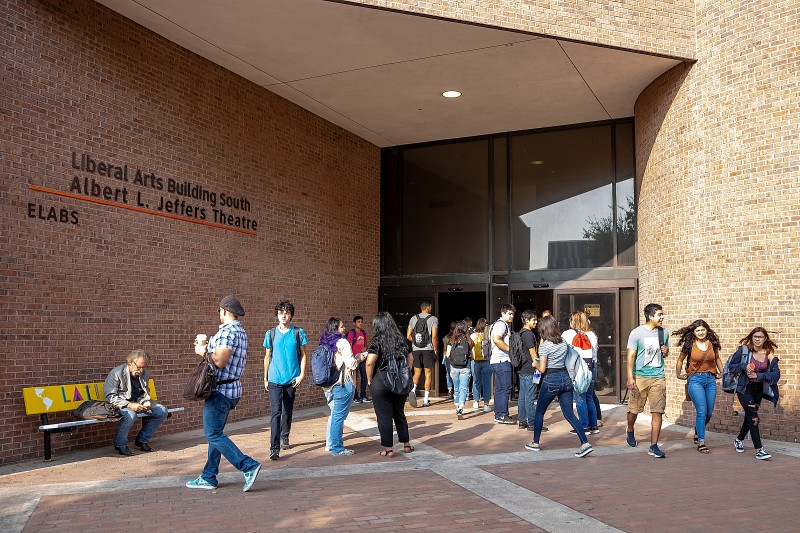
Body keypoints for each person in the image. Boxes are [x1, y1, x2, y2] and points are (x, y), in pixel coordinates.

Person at [186, 295, 261, 491]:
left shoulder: (228, 331)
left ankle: (248, 466)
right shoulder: (240, 331)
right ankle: (208, 476)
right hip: (231, 389)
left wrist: (202, 351)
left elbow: (219, 361)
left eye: (219, 311)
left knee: (212, 434)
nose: (219, 314)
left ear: (225, 311)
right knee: (216, 434)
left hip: (221, 390)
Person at [524, 315, 593, 457]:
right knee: (569, 414)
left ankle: (535, 443)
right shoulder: (563, 342)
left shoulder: (545, 345)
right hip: (566, 379)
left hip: (551, 380)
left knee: (540, 411)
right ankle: (585, 443)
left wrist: (534, 363)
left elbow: (542, 369)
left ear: (544, 328)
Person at [263, 300, 308, 460]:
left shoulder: (298, 332)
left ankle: (285, 436)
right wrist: (265, 378)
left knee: (287, 410)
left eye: (287, 312)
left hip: (291, 379)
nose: (284, 315)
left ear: (291, 315)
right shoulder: (270, 333)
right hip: (275, 378)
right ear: (277, 314)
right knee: (276, 413)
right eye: (281, 312)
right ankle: (274, 449)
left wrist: (302, 374)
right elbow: (267, 357)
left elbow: (303, 355)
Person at [366, 311, 414, 458]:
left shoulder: (377, 340)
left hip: (381, 381)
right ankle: (406, 445)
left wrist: (369, 380)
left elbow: (370, 362)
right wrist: (405, 374)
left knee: (384, 416)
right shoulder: (402, 340)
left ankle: (388, 449)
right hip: (400, 381)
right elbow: (410, 359)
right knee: (399, 413)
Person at [104, 349, 169, 456]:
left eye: (144, 367)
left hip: (138, 402)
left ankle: (142, 440)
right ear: (130, 362)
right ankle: (120, 445)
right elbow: (110, 397)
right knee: (131, 415)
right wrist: (129, 404)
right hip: (120, 404)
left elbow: (144, 393)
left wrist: (146, 402)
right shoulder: (116, 373)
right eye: (139, 367)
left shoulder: (144, 373)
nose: (141, 370)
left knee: (161, 411)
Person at [729, 327, 780, 460]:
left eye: (760, 337)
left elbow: (775, 375)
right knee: (754, 417)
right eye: (755, 336)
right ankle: (759, 450)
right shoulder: (744, 351)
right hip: (744, 388)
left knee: (750, 416)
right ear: (751, 338)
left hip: (758, 389)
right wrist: (743, 366)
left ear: (765, 339)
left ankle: (739, 440)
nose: (757, 339)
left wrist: (758, 375)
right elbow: (731, 366)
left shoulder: (769, 353)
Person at [626, 303, 669, 458]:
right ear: (650, 316)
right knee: (634, 410)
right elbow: (630, 356)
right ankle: (630, 429)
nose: (662, 317)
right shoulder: (636, 333)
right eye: (659, 314)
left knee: (657, 411)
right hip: (640, 377)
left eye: (662, 314)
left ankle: (653, 446)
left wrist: (666, 351)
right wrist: (630, 377)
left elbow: (665, 353)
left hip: (658, 376)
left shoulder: (663, 333)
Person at [673, 319, 723, 453]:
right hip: (695, 379)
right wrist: (678, 374)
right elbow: (680, 359)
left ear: (707, 330)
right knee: (702, 410)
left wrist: (722, 371)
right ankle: (701, 442)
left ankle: (698, 429)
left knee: (709, 412)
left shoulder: (712, 343)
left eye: (703, 330)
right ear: (694, 332)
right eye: (698, 330)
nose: (701, 332)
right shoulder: (689, 344)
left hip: (711, 380)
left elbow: (717, 358)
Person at [320, 318, 367, 455]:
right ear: (335, 328)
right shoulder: (343, 342)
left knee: (334, 415)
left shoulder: (325, 342)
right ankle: (337, 448)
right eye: (341, 326)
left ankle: (330, 444)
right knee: (339, 417)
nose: (344, 328)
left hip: (327, 385)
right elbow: (351, 364)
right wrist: (360, 357)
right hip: (342, 384)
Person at [562, 311, 599, 434]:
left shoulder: (567, 334)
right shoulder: (592, 335)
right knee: (589, 397)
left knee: (579, 397)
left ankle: (584, 426)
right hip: (592, 367)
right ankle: (594, 425)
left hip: (578, 369)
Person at [406, 301, 438, 408]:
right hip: (428, 349)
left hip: (416, 349)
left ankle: (413, 390)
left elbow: (408, 335)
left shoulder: (413, 318)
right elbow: (434, 337)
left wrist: (416, 342)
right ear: (428, 307)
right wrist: (435, 348)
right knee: (428, 374)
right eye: (431, 307)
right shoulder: (433, 319)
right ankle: (425, 400)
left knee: (417, 371)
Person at [489, 304, 515, 424]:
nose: (511, 316)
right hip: (501, 360)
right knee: (505, 387)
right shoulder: (501, 325)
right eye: (509, 314)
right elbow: (497, 339)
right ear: (503, 313)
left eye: (512, 314)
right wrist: (511, 350)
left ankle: (499, 414)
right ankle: (502, 414)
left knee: (500, 388)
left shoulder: (500, 324)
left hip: (497, 360)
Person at [445, 320, 473, 419]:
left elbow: (447, 355)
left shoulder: (451, 340)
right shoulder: (469, 341)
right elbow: (472, 356)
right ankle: (461, 407)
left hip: (454, 367)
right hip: (465, 367)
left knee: (456, 388)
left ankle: (457, 405)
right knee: (463, 388)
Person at [516, 310, 539, 431]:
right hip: (530, 369)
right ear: (526, 320)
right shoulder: (529, 334)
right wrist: (538, 366)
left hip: (521, 368)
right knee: (530, 396)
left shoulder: (520, 333)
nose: (536, 322)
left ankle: (522, 421)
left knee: (522, 396)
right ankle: (531, 423)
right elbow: (532, 352)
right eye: (533, 320)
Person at [346, 316, 371, 404]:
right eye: (358, 322)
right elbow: (349, 345)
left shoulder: (363, 333)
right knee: (354, 377)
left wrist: (365, 348)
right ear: (354, 323)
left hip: (363, 358)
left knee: (364, 376)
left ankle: (363, 395)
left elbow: (366, 344)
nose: (360, 323)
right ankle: (355, 396)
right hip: (355, 359)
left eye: (361, 322)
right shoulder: (351, 333)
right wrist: (351, 358)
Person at [470, 318, 493, 412]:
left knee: (476, 381)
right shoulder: (488, 336)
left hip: (474, 361)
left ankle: (476, 401)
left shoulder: (472, 335)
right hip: (487, 361)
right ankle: (486, 404)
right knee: (487, 383)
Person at [441, 321, 457, 401]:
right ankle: (457, 390)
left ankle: (450, 390)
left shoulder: (446, 337)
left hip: (448, 357)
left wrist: (444, 357)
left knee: (448, 374)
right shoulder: (458, 337)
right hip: (456, 357)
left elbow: (444, 349)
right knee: (456, 373)